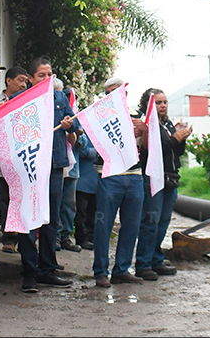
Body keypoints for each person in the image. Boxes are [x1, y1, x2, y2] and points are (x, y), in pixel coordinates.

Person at [17, 57, 76, 293]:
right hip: (30, 167)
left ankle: (47, 269)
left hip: (54, 165)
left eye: (49, 74)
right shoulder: (20, 101)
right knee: (30, 219)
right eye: (41, 75)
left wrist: (69, 123)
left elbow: (74, 125)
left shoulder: (60, 98)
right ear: (30, 78)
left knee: (51, 219)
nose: (47, 79)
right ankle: (29, 273)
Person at [91, 77, 147, 289]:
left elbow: (146, 145)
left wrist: (143, 131)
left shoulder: (137, 116)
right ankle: (101, 271)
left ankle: (122, 269)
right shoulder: (98, 115)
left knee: (131, 225)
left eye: (118, 91)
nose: (115, 95)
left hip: (134, 174)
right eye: (110, 92)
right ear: (106, 95)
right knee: (103, 225)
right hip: (110, 175)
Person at [134, 88, 191, 280]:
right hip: (153, 177)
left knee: (163, 222)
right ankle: (143, 263)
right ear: (149, 105)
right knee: (150, 221)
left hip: (171, 177)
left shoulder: (166, 123)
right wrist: (175, 138)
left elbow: (177, 151)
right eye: (158, 103)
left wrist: (182, 137)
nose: (163, 106)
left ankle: (155, 260)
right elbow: (157, 149)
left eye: (165, 102)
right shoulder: (146, 125)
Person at [0, 65, 28, 252]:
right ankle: (9, 239)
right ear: (8, 80)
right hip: (2, 160)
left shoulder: (28, 102)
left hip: (22, 159)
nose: (23, 84)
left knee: (21, 199)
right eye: (20, 80)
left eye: (26, 81)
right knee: (5, 199)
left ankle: (25, 239)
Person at [56, 80, 82, 253]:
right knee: (55, 203)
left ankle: (66, 236)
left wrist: (71, 129)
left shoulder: (69, 114)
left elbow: (74, 142)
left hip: (71, 167)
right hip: (55, 165)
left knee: (69, 204)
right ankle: (55, 237)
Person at [73, 131, 98, 250]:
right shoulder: (85, 129)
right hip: (82, 180)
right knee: (81, 212)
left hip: (97, 181)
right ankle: (81, 237)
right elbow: (81, 149)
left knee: (93, 212)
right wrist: (96, 152)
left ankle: (91, 237)